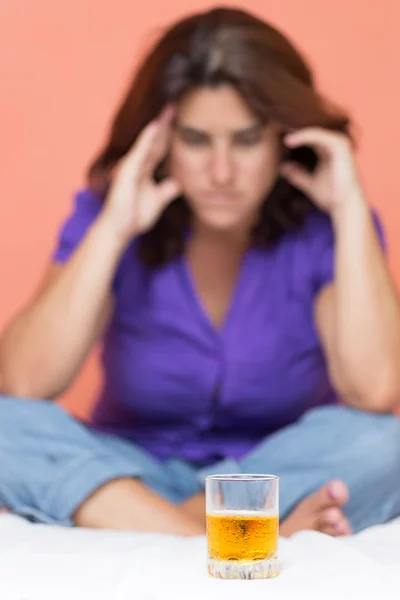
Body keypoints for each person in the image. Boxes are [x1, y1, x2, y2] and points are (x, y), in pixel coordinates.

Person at [1, 6, 400, 538]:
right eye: (195, 140)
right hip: (130, 473)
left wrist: (349, 206)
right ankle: (217, 534)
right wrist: (116, 224)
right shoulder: (109, 215)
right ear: (161, 141)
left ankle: (159, 527)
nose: (220, 173)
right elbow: (23, 384)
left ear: (285, 135)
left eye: (246, 140)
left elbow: (376, 392)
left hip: (271, 473)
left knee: (383, 443)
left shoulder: (326, 228)